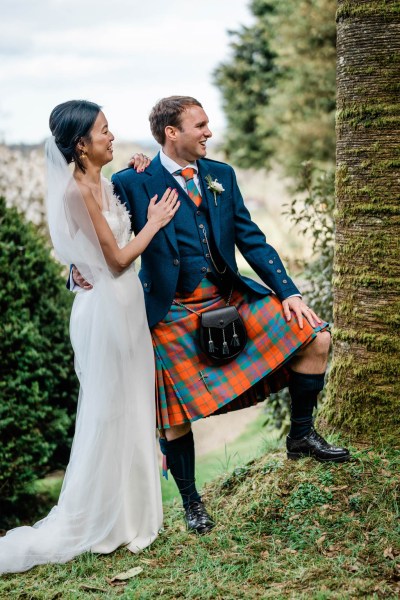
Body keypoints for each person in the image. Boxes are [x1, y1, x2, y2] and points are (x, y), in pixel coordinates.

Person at [82, 95, 350, 536]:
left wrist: (289, 292)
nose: (209, 132)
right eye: (200, 125)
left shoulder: (221, 175)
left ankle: (301, 436)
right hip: (170, 309)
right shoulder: (133, 181)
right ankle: (192, 504)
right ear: (172, 133)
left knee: (316, 336)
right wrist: (82, 270)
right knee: (172, 414)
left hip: (230, 297)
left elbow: (251, 238)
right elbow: (103, 231)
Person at [0, 100, 179, 574]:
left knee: (129, 408)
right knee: (107, 412)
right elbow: (118, 261)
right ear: (81, 145)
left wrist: (139, 170)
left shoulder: (103, 181)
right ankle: (102, 519)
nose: (112, 136)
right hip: (105, 312)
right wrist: (155, 223)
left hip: (124, 307)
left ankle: (127, 516)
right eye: (104, 131)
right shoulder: (77, 192)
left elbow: (104, 248)